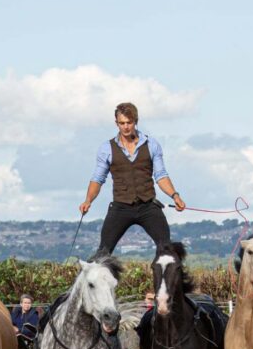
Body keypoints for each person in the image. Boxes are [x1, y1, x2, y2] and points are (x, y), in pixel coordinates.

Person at [79, 102, 186, 257]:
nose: (126, 127)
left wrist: (175, 196)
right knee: (102, 253)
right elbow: (97, 178)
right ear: (116, 123)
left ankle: (166, 280)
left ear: (136, 121)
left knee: (167, 250)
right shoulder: (106, 148)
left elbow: (161, 175)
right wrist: (88, 200)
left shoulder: (152, 145)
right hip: (120, 207)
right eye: (122, 123)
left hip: (148, 206)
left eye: (129, 122)